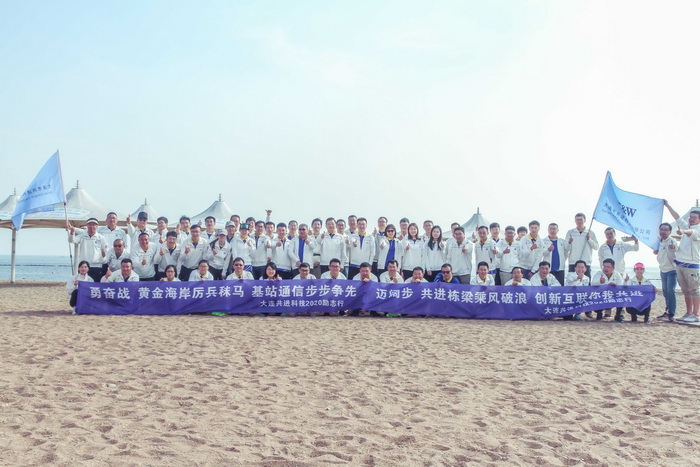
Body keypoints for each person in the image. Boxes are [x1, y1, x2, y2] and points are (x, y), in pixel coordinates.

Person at [665, 202, 700, 323]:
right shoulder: (687, 226)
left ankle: (696, 314)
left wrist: (683, 232)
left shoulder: (697, 230)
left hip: (692, 265)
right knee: (686, 290)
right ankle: (688, 313)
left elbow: (691, 233)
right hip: (680, 263)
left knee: (694, 290)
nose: (691, 219)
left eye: (694, 217)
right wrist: (668, 205)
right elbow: (677, 217)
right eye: (691, 217)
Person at [598, 227, 639, 318]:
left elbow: (635, 248)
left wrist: (635, 240)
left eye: (611, 233)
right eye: (607, 234)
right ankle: (607, 311)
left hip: (620, 272)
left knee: (620, 293)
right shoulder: (602, 247)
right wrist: (603, 270)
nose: (609, 235)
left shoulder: (622, 244)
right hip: (608, 273)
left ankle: (621, 313)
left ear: (614, 234)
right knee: (608, 292)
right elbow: (600, 259)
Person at [67, 217, 108, 282]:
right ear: (87, 225)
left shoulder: (101, 238)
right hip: (84, 266)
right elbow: (71, 240)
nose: (92, 226)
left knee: (96, 285)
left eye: (94, 224)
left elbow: (105, 250)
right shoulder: (82, 236)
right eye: (90, 224)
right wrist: (72, 233)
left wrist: (103, 256)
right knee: (83, 285)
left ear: (97, 226)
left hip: (97, 266)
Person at [653, 222, 678, 321]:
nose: (663, 231)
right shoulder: (659, 241)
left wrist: (673, 248)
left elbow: (675, 248)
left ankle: (671, 313)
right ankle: (667, 311)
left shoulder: (672, 241)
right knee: (666, 292)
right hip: (663, 269)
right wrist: (656, 252)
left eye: (666, 230)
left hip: (672, 270)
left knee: (671, 291)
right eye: (661, 229)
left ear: (670, 231)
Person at [565, 213, 598, 278]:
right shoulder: (570, 232)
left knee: (586, 282)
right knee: (572, 281)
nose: (579, 221)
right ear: (575, 221)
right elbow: (566, 248)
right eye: (577, 219)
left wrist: (589, 239)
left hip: (586, 262)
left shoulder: (590, 232)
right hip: (573, 262)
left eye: (581, 219)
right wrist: (569, 242)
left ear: (584, 220)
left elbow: (596, 247)